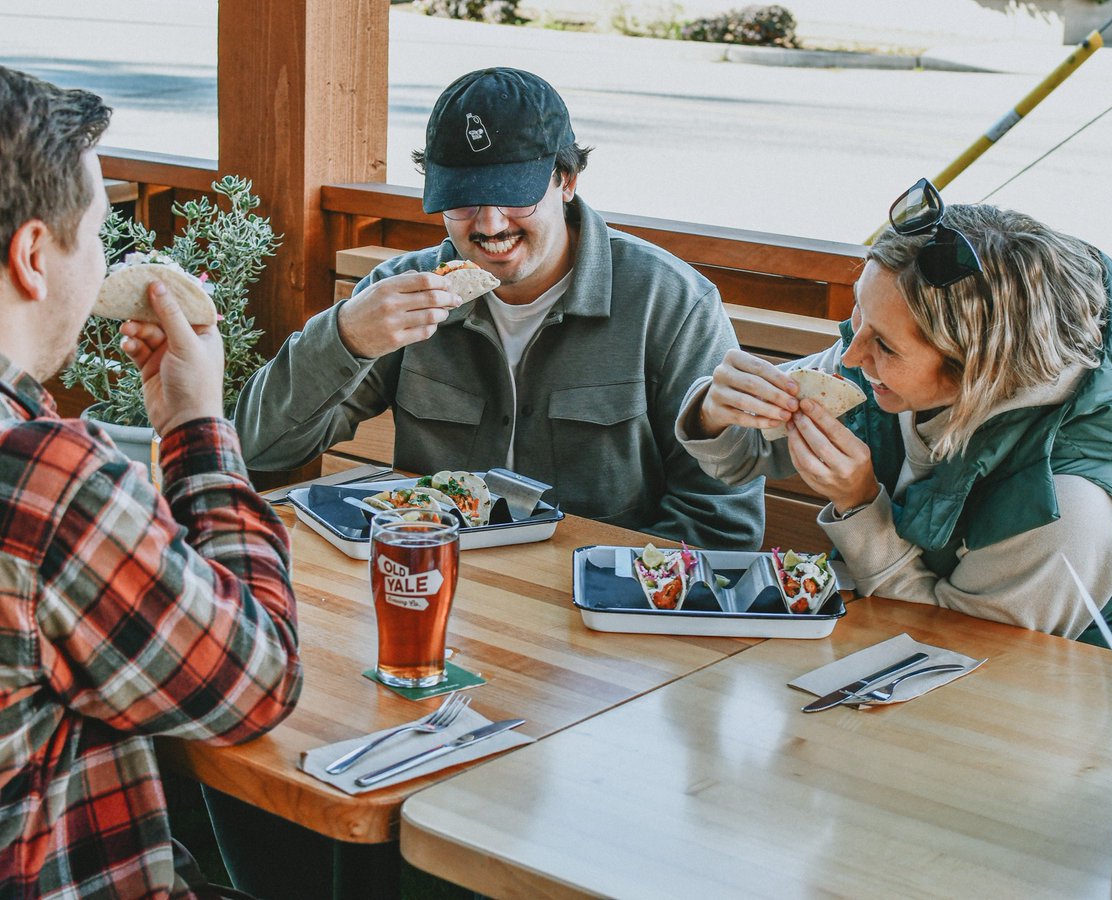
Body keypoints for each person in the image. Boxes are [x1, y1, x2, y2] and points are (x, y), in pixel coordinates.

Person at [234, 66, 763, 550]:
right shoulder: (399, 293)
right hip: (433, 584)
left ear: (568, 181)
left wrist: (600, 589)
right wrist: (346, 337)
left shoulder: (670, 304)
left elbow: (721, 523)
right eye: (463, 200)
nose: (489, 225)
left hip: (597, 613)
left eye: (514, 196)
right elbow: (258, 447)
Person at [676, 178, 1112, 661]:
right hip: (895, 664)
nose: (851, 357)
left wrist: (860, 507)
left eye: (883, 344)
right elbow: (746, 453)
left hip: (1055, 727)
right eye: (861, 312)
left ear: (978, 371)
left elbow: (956, 651)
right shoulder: (882, 366)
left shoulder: (1068, 507)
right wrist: (716, 410)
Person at [0, 66, 302, 895]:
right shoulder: (43, 479)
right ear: (34, 256)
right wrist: (196, 426)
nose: (101, 263)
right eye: (98, 234)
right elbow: (259, 679)